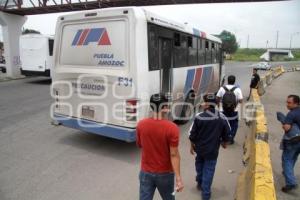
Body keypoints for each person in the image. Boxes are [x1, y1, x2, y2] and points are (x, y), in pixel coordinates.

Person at [136, 93, 184, 200]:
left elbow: (140, 145)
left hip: (146, 173)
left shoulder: (141, 125)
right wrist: (178, 178)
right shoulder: (172, 128)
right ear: (165, 108)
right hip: (165, 174)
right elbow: (174, 154)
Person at [189, 94, 230, 200]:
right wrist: (224, 143)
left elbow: (192, 135)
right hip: (212, 151)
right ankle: (206, 194)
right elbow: (227, 133)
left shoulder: (199, 117)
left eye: (204, 102)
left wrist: (191, 146)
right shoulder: (222, 117)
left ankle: (199, 181)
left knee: (199, 166)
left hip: (200, 149)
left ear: (207, 104)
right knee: (209, 170)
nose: (202, 104)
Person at [281, 94, 300, 193]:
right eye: (287, 102)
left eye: (289, 103)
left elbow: (287, 128)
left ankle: (291, 182)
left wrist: (283, 124)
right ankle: (288, 173)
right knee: (293, 157)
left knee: (287, 159)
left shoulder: (291, 114)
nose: (287, 104)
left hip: (294, 141)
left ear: (296, 103)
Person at [216, 75, 243, 144]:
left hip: (223, 110)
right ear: (234, 81)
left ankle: (223, 138)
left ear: (227, 81)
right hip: (234, 110)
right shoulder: (237, 89)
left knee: (223, 124)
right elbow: (241, 100)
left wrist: (219, 105)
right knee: (234, 124)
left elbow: (217, 98)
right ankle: (230, 138)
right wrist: (235, 105)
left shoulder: (222, 88)